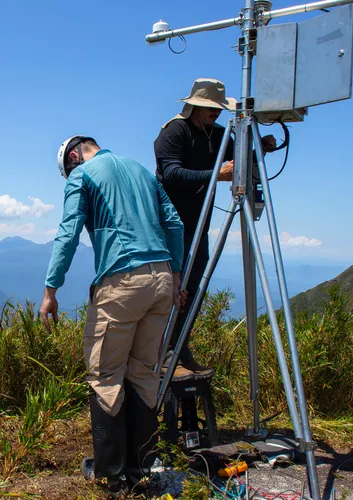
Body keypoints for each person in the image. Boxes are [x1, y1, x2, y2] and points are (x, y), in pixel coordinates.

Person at [41, 135, 186, 497]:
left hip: (122, 281)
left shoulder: (83, 175)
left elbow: (69, 232)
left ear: (74, 156)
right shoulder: (141, 171)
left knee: (105, 373)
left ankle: (113, 475)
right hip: (162, 279)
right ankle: (141, 468)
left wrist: (50, 290)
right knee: (143, 372)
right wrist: (177, 273)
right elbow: (175, 224)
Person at [154, 78, 276, 378]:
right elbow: (170, 174)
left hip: (198, 222)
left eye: (217, 110)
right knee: (173, 288)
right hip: (170, 223)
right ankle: (164, 353)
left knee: (193, 286)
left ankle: (178, 348)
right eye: (210, 109)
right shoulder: (174, 131)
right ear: (194, 106)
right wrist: (216, 175)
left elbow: (238, 152)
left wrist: (261, 146)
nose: (216, 114)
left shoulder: (217, 134)